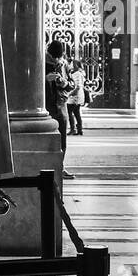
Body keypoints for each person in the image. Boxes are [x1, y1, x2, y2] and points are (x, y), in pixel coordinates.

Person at [45, 41, 74, 177]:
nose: (55, 60)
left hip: (61, 105)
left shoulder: (64, 65)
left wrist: (64, 82)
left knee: (62, 139)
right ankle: (47, 168)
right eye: (52, 57)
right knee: (47, 140)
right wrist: (46, 79)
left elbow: (72, 84)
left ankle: (60, 167)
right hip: (47, 105)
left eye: (57, 57)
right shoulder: (42, 63)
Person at [66, 58, 86, 136]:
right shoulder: (78, 73)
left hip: (75, 97)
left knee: (70, 112)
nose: (70, 65)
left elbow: (77, 87)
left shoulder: (77, 74)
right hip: (77, 96)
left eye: (72, 64)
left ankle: (73, 129)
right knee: (76, 113)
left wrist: (70, 94)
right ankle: (79, 129)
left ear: (75, 65)